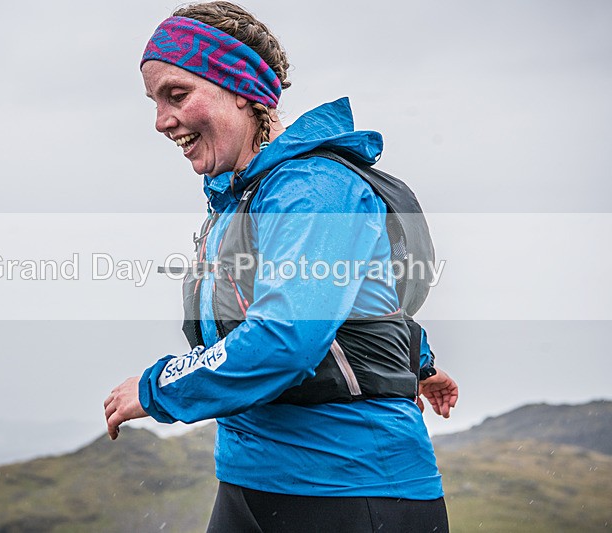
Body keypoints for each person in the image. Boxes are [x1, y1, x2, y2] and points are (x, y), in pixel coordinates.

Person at [104, 2, 459, 531]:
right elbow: (357, 299)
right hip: (249, 482)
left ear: (243, 89)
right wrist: (422, 364)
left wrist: (156, 390)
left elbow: (285, 336)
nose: (161, 121)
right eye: (155, 101)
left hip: (352, 489)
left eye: (177, 95)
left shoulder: (312, 190)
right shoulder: (239, 200)